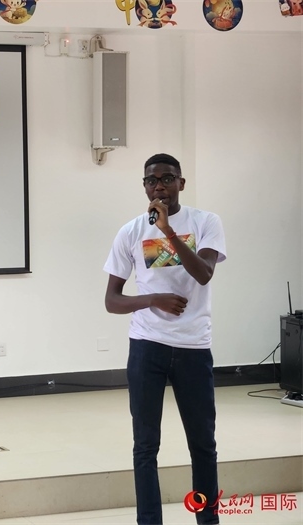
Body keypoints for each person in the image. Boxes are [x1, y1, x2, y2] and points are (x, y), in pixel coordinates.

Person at [103, 153, 227, 525]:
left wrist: (168, 231)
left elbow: (204, 273)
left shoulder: (206, 222)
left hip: (193, 347)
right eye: (151, 180)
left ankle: (208, 519)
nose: (159, 186)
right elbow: (112, 300)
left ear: (181, 184)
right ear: (144, 187)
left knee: (203, 444)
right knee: (145, 446)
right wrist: (152, 299)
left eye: (167, 178)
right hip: (147, 347)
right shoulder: (130, 232)